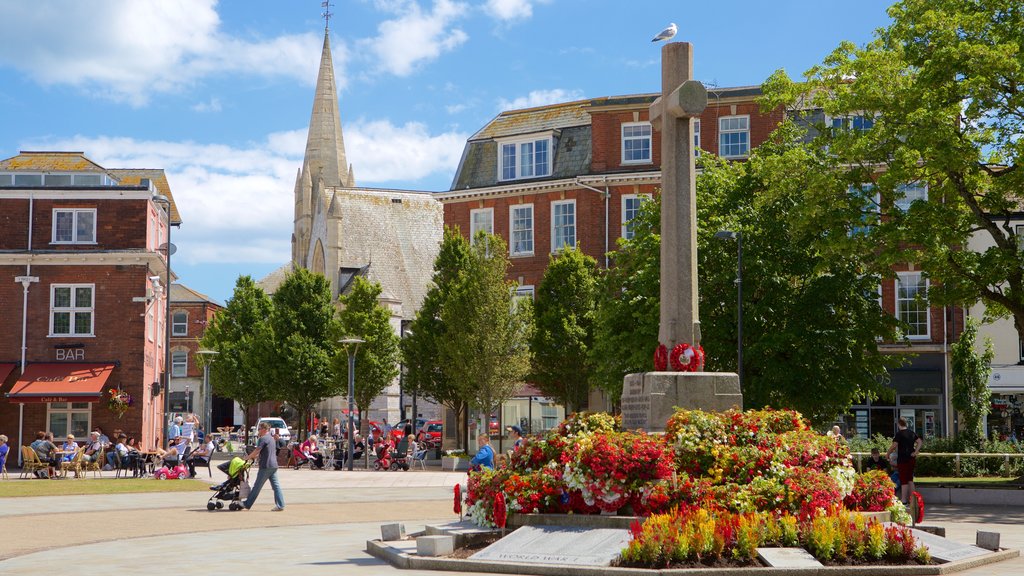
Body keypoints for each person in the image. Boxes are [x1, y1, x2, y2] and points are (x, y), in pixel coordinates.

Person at [243, 421, 285, 511]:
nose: (259, 430)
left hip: (266, 466)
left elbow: (257, 450)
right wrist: (254, 457)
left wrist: (248, 457)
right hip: (273, 466)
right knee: (276, 486)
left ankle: (247, 504)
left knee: (257, 486)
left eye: (260, 429)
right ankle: (280, 505)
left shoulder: (262, 439)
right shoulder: (271, 439)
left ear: (265, 429)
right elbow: (266, 452)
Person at [886, 417, 923, 504]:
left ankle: (904, 500)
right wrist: (916, 451)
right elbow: (920, 442)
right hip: (911, 458)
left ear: (899, 424)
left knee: (903, 479)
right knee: (910, 479)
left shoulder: (899, 434)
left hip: (902, 459)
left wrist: (888, 453)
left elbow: (894, 446)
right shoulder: (911, 433)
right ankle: (913, 499)